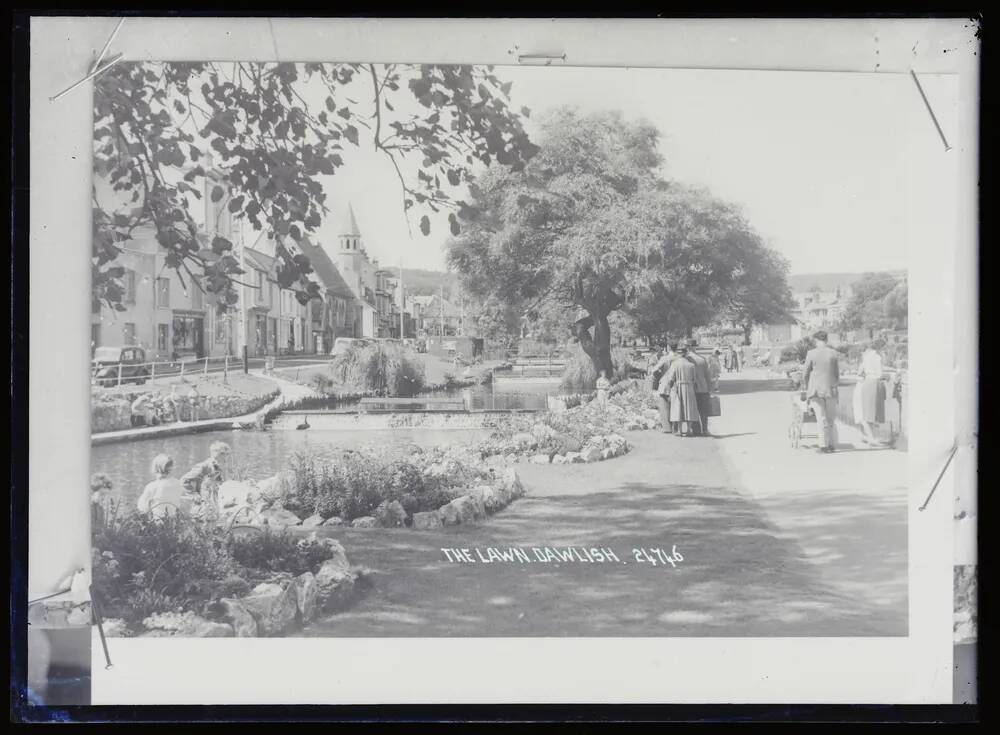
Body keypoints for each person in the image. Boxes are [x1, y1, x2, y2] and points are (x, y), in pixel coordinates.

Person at [802, 330, 841, 453]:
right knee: (831, 419)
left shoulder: (811, 353)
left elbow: (805, 374)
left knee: (821, 418)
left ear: (816, 340)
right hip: (831, 389)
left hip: (816, 390)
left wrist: (808, 386)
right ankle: (832, 444)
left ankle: (823, 445)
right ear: (826, 340)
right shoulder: (833, 353)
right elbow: (836, 374)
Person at [181, 441, 231, 521]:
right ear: (217, 454)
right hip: (202, 505)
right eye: (225, 454)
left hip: (213, 503)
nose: (227, 457)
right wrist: (194, 494)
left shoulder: (219, 467)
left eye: (227, 454)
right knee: (203, 525)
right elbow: (184, 480)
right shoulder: (204, 466)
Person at [855, 341, 887, 446]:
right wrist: (888, 376)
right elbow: (880, 374)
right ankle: (872, 439)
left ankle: (870, 437)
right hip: (874, 383)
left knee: (868, 412)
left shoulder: (866, 357)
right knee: (872, 412)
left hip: (866, 384)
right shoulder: (877, 357)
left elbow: (860, 372)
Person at [665, 344, 701, 436]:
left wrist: (669, 390)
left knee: (678, 408)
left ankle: (680, 430)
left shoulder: (674, 364)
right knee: (689, 408)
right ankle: (689, 429)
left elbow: (671, 379)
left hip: (678, 387)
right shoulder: (691, 365)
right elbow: (695, 379)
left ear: (678, 353)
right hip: (689, 388)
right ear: (685, 354)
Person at [136, 454, 186, 519]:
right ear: (171, 468)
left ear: (155, 469)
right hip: (174, 521)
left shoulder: (152, 486)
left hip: (158, 521)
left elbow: (142, 508)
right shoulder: (178, 483)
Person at [685, 338, 712, 436]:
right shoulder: (702, 359)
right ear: (695, 347)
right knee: (704, 411)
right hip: (703, 388)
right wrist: (710, 388)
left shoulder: (686, 359)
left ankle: (696, 430)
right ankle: (705, 429)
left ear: (688, 347)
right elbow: (708, 376)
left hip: (692, 389)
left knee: (694, 410)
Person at [649, 344, 678, 433]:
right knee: (675, 406)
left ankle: (667, 428)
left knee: (664, 407)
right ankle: (675, 427)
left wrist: (659, 372)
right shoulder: (679, 358)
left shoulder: (665, 358)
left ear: (668, 347)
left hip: (665, 383)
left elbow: (654, 369)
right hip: (676, 384)